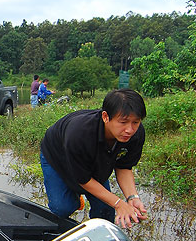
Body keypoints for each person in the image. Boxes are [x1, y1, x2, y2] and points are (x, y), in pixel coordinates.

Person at [39, 89, 148, 228]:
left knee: (105, 210)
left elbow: (124, 167)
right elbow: (83, 179)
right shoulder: (79, 133)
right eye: (123, 122)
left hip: (94, 159)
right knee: (62, 208)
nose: (129, 130)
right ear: (105, 117)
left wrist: (132, 198)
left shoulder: (135, 134)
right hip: (57, 155)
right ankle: (76, 200)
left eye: (136, 122)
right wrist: (119, 204)